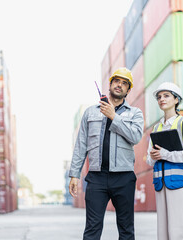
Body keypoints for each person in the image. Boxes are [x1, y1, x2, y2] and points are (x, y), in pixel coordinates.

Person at [69, 67, 144, 240]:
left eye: (124, 83)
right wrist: (74, 174)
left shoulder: (135, 113)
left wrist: (113, 117)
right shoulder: (90, 112)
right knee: (92, 229)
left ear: (128, 90)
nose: (120, 85)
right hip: (96, 178)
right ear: (110, 84)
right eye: (117, 81)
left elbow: (136, 137)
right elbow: (81, 145)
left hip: (124, 177)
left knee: (126, 229)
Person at [146, 82, 183, 240]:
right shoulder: (156, 128)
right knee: (163, 232)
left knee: (179, 231)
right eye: (159, 97)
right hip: (161, 184)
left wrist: (166, 154)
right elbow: (150, 160)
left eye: (166, 95)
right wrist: (153, 156)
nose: (161, 99)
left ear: (176, 99)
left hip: (179, 183)